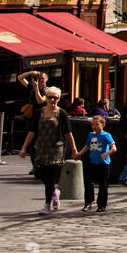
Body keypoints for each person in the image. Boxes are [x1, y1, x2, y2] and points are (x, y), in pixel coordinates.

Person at [18, 86, 76, 215]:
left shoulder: (62, 113)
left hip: (56, 149)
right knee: (43, 176)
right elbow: (32, 131)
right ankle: (55, 193)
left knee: (51, 177)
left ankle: (47, 204)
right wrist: (23, 147)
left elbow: (68, 133)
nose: (52, 100)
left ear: (59, 99)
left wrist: (73, 149)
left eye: (55, 98)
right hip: (42, 148)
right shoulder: (39, 112)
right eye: (50, 97)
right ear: (46, 98)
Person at [73, 114, 116, 213]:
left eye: (97, 124)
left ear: (103, 124)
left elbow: (114, 148)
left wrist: (107, 153)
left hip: (103, 163)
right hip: (92, 162)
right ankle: (88, 202)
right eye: (93, 125)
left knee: (103, 184)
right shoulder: (91, 135)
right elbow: (87, 146)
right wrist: (79, 154)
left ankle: (101, 205)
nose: (95, 127)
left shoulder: (106, 135)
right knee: (88, 182)